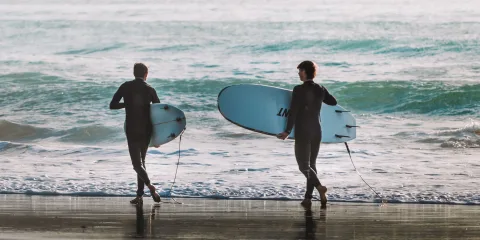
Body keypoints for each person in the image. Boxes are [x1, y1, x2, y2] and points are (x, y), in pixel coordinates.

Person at [277, 60, 337, 209]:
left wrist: (287, 131)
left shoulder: (298, 89)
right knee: (311, 165)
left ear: (305, 72)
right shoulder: (321, 89)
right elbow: (333, 102)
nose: (298, 73)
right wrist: (320, 97)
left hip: (303, 130)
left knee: (303, 165)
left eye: (300, 71)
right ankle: (308, 198)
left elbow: (293, 112)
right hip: (317, 130)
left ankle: (320, 187)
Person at [110, 62, 161, 204]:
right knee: (141, 163)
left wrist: (127, 104)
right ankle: (139, 195)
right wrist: (158, 137)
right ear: (146, 74)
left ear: (134, 73)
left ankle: (149, 187)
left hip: (132, 129)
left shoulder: (125, 86)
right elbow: (158, 112)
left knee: (136, 165)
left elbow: (112, 105)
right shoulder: (150, 89)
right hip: (146, 130)